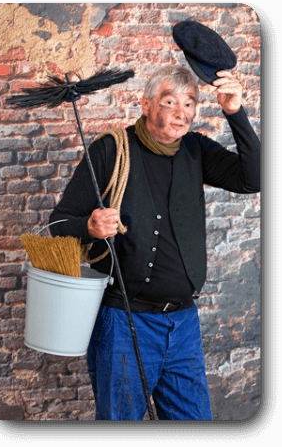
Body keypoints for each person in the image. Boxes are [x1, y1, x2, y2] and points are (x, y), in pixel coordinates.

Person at [49, 65, 260, 420]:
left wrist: (235, 113)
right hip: (124, 321)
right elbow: (58, 224)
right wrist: (89, 225)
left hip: (183, 324)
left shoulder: (196, 149)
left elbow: (252, 178)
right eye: (169, 101)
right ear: (146, 104)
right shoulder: (110, 150)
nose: (182, 113)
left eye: (190, 103)